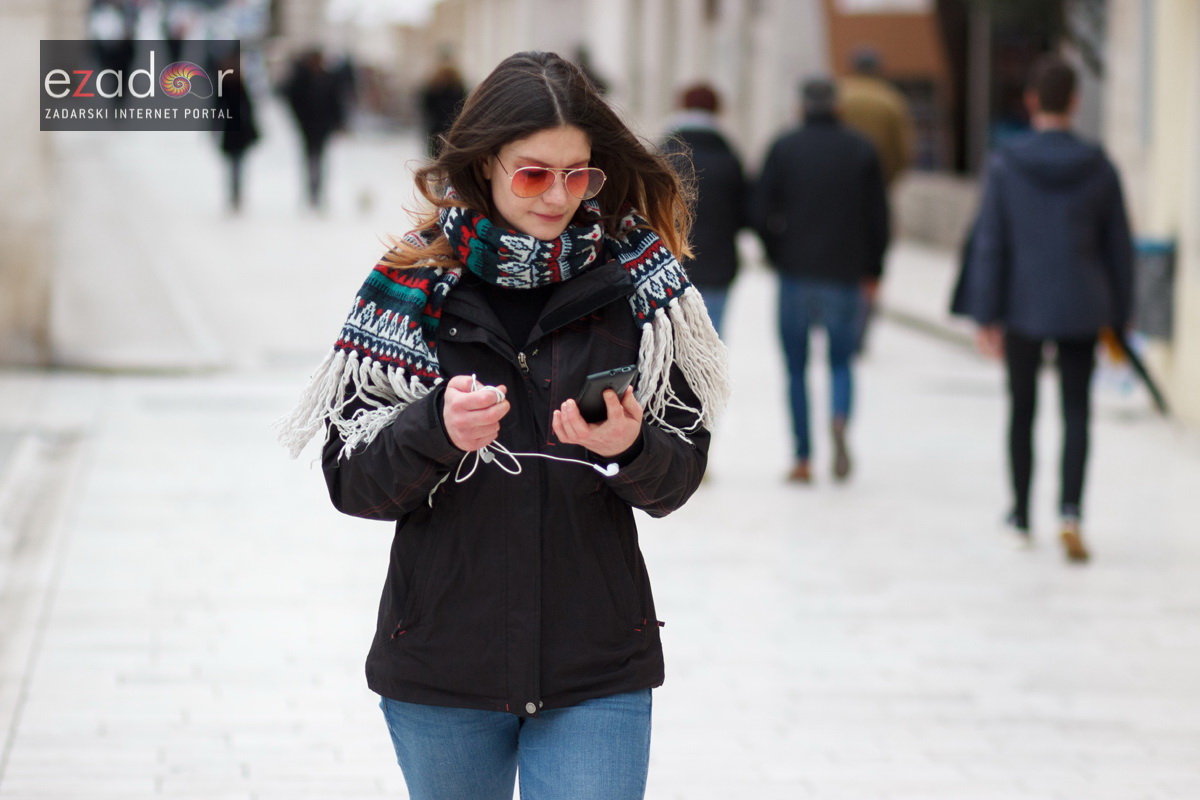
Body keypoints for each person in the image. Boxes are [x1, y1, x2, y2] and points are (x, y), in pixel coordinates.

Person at [276, 51, 729, 800]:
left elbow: (677, 476)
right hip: (443, 662)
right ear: (486, 162)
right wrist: (435, 429)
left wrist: (630, 447)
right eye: (533, 173)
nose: (558, 196)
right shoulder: (409, 286)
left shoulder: (640, 286)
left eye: (578, 174)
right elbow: (352, 482)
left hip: (597, 663)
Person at [960, 55, 1133, 563]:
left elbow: (991, 244)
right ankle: (1071, 512)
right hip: (1084, 303)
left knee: (1023, 411)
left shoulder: (1006, 163)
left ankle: (1019, 515)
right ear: (1076, 102)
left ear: (1032, 101)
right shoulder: (1099, 165)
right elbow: (1117, 246)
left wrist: (985, 314)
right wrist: (1121, 313)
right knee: (1077, 411)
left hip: (1021, 305)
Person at [750, 78, 888, 485]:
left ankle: (803, 457)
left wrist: (775, 251)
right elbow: (878, 218)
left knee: (796, 368)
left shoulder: (785, 146)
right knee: (842, 362)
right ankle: (840, 420)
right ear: (838, 106)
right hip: (845, 275)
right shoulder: (862, 149)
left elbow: (759, 208)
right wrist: (873, 270)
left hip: (795, 272)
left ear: (801, 105)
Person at [837, 46, 914, 353]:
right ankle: (859, 333)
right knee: (870, 262)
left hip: (836, 194)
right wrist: (886, 181)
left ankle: (833, 326)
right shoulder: (892, 101)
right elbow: (903, 153)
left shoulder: (840, 94)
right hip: (876, 193)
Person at [659, 83, 747, 336]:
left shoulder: (662, 156)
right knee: (710, 341)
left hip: (667, 263)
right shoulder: (729, 158)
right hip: (718, 265)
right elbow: (744, 213)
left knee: (668, 341)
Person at [282, 48, 346, 209]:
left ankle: (318, 191)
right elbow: (292, 99)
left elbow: (335, 101)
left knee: (321, 158)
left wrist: (337, 121)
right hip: (307, 126)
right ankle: (310, 191)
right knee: (309, 158)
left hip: (323, 125)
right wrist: (300, 119)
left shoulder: (328, 78)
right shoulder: (302, 79)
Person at [215, 53, 259, 213]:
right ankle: (235, 193)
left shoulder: (237, 85)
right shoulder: (232, 86)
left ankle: (235, 193)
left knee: (236, 165)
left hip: (237, 132)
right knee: (236, 165)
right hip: (235, 132)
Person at [419, 59, 467, 158]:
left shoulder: (434, 90)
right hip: (450, 128)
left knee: (438, 157)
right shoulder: (458, 90)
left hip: (441, 128)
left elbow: (426, 107)